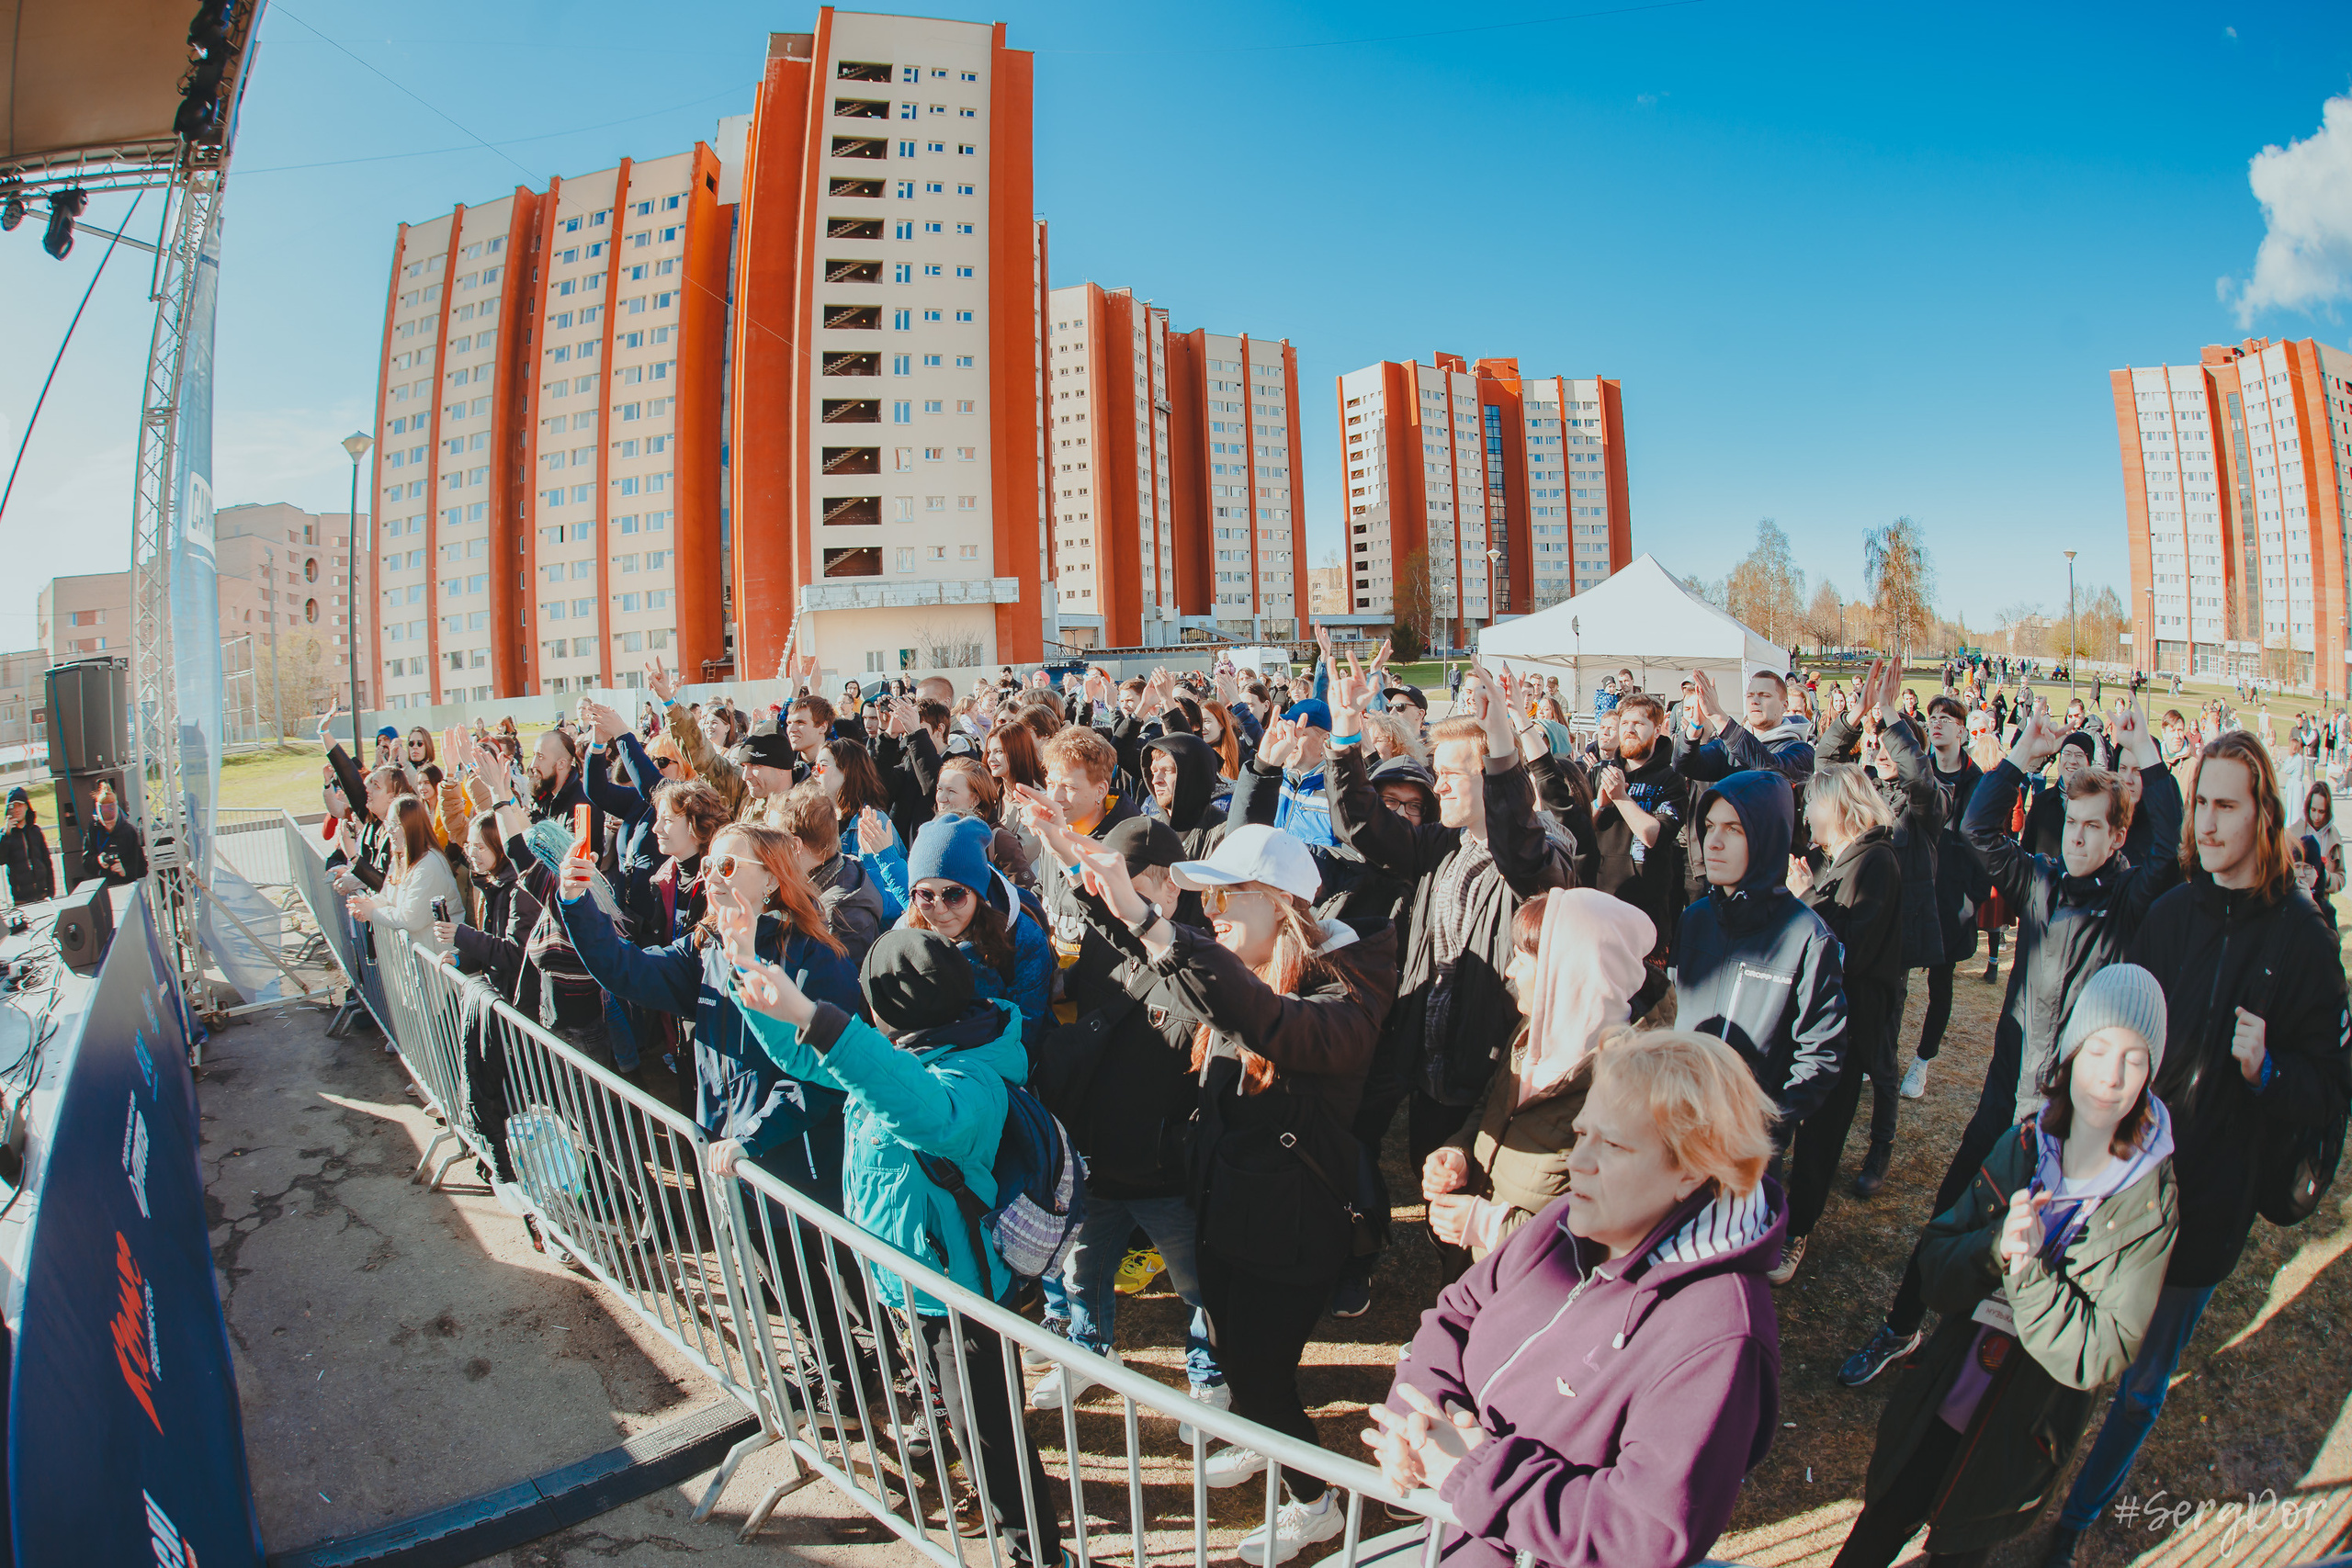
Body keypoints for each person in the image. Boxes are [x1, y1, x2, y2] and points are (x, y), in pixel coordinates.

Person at [2041, 732, 2350, 1565]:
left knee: (2141, 1386)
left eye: (2225, 806)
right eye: (2200, 802)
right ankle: (2027, 1484)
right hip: (2120, 1186)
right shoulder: (2172, 912)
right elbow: (2116, 1027)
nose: (2206, 824)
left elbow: (2332, 1091)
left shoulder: (2305, 941)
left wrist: (2270, 1069)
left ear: (2265, 815)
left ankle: (2072, 1525)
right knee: (2076, 1353)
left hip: (2210, 1209)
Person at [1069, 823, 1396, 1565]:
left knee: (1257, 1374)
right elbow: (1168, 969)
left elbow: (1266, 1018)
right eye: (1206, 894)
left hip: (1292, 1233)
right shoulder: (1242, 969)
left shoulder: (1344, 992)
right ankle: (1265, 1442)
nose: (1210, 909)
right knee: (1236, 1353)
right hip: (1233, 1217)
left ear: (1281, 903)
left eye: (1227, 894)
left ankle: (1315, 1502)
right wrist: (1102, 887)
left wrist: (1152, 919)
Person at [1838, 702, 2181, 1387]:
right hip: (2007, 1097)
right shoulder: (2043, 882)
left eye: (2095, 829)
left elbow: (2168, 846)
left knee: (2033, 1244)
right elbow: (1976, 827)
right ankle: (1901, 1327)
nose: (2080, 839)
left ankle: (1989, 1360)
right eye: (2072, 826)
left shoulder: (2129, 898)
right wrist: (2022, 759)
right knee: (1951, 1214)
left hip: (2071, 1113)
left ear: (2117, 837)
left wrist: (2149, 758)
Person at [1360, 1031, 1785, 1568]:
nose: (1578, 1162)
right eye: (1582, 1133)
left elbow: (1645, 1533)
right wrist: (1416, 1424)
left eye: (1613, 1146)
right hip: (1453, 1538)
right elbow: (1455, 1315)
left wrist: (1473, 1473)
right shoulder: (1570, 1219)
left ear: (1692, 1168)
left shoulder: (1721, 1336)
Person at [723, 926, 1064, 1568]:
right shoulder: (910, 1046)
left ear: (889, 1002)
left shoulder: (970, 1073)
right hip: (916, 1277)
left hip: (958, 1294)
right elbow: (814, 1061)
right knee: (972, 1428)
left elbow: (924, 1113)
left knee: (990, 1438)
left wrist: (816, 1017)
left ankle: (1036, 1555)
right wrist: (759, 988)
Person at [1836, 966, 2177, 1568]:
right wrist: (1995, 1245)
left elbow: (2102, 1350)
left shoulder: (2150, 1204)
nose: (2113, 1075)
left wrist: (2026, 1272)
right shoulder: (2022, 1145)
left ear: (2153, 1072)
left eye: (2136, 1057)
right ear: (2071, 1053)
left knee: (1961, 1553)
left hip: (2019, 1435)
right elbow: (1935, 1267)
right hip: (1940, 1398)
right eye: (2098, 1049)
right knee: (1875, 1531)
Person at [1327, 662, 1578, 1280]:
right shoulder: (1442, 844)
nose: (1436, 786)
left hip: (1491, 1075)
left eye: (1449, 774)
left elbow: (1521, 842)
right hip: (1428, 1064)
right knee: (1438, 1193)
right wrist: (1342, 740)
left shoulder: (1540, 855)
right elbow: (1365, 825)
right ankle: (1456, 1295)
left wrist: (1499, 747)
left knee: (1491, 1215)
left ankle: (1491, 1314)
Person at [1024, 817, 1227, 1427]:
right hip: (1097, 1154)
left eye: (1123, 876)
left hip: (1167, 1165)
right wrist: (1060, 840)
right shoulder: (1100, 937)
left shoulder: (1196, 951)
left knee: (1197, 1283)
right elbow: (1089, 903)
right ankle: (1090, 1350)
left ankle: (1209, 1368)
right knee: (1086, 1270)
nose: (1107, 889)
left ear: (1167, 886)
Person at [1421, 889, 1654, 1268]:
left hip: (1534, 1291)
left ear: (1569, 973)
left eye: (1523, 959)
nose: (1510, 972)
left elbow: (1603, 1237)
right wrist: (1460, 1153)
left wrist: (1491, 1226)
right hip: (1479, 1272)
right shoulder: (1531, 1034)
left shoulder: (1626, 1092)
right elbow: (1490, 1108)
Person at [1813, 659, 1947, 1194]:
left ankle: (1879, 1150)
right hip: (1846, 934)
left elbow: (1920, 778)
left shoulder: (1921, 808)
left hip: (1894, 947)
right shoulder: (1858, 794)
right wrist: (1855, 718)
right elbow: (1824, 761)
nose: (1878, 751)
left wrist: (1891, 718)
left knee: (1880, 1052)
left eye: (1887, 744)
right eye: (1875, 742)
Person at [1779, 763, 1904, 1284]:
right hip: (1822, 1018)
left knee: (1822, 1132)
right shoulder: (1843, 860)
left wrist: (1805, 897)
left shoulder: (1876, 862)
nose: (1807, 814)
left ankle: (1796, 1230)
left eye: (1813, 804)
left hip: (1849, 1024)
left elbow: (1851, 948)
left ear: (1838, 806)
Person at [1675, 769, 1848, 1128]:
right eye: (1709, 827)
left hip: (1749, 1143)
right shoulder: (1693, 919)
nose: (1714, 842)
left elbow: (1820, 1051)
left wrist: (1769, 1122)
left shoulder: (1807, 938)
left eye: (1733, 829)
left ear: (1767, 837)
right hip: (1678, 1123)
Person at [1898, 694, 1990, 1097]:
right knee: (1894, 975)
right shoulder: (1921, 773)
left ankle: (1923, 1060)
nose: (1936, 724)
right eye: (1932, 717)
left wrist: (1972, 898)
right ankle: (1880, 1050)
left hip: (1954, 899)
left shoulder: (1979, 782)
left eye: (1946, 718)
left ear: (1963, 731)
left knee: (1941, 981)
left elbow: (1987, 843)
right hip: (1913, 890)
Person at [1586, 692, 1687, 957]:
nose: (1629, 730)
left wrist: (1621, 798)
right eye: (1625, 723)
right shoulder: (1599, 772)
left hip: (1645, 910)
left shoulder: (1671, 780)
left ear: (1657, 730)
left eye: (1639, 724)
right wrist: (1599, 805)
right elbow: (1579, 830)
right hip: (1598, 902)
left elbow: (1656, 835)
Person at [773, 785, 889, 969]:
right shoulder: (830, 872)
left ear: (795, 845)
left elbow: (841, 987)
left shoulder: (844, 917)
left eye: (773, 839)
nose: (768, 848)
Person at [344, 795, 462, 960]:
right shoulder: (401, 858)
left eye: (394, 825)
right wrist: (367, 905)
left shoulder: (429, 864)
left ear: (410, 827)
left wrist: (373, 912)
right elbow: (387, 896)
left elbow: (411, 918)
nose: (389, 831)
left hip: (440, 957)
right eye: (388, 824)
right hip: (420, 957)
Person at [1138, 732, 1229, 858]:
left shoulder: (1224, 833)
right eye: (1154, 772)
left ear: (1191, 775)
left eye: (1167, 771)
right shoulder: (1148, 829)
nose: (1155, 780)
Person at [84, 783, 148, 887]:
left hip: (125, 887)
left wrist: (124, 871)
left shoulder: (129, 832)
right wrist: (99, 860)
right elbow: (86, 863)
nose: (109, 824)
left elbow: (141, 869)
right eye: (105, 821)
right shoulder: (94, 829)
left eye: (111, 820)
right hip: (102, 887)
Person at [2, 788, 55, 906]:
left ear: (26, 807)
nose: (17, 809)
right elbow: (1, 860)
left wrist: (51, 893)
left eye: (20, 805)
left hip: (43, 896)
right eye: (13, 806)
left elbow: (47, 862)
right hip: (21, 900)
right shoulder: (5, 835)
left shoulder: (35, 831)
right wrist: (6, 834)